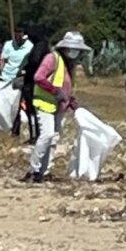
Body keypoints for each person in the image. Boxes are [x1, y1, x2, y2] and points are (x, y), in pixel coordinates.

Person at [24, 31, 80, 181]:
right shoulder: (52, 58)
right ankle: (34, 170)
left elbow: (64, 85)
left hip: (59, 106)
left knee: (54, 139)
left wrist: (70, 99)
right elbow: (38, 77)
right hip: (45, 102)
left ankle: (45, 171)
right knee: (46, 135)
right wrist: (55, 91)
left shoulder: (69, 64)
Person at [0, 28, 34, 135]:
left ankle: (17, 131)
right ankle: (8, 129)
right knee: (7, 106)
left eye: (20, 34)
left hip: (20, 79)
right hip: (6, 78)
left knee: (18, 106)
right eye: (16, 34)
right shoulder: (8, 45)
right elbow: (3, 60)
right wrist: (0, 72)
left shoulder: (30, 46)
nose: (18, 36)